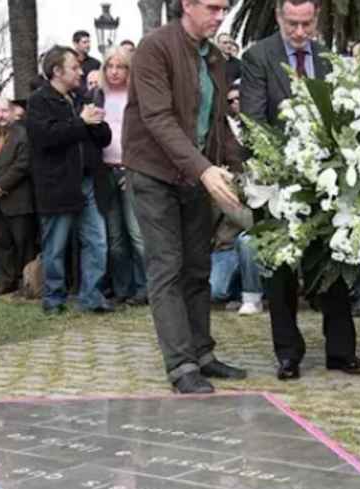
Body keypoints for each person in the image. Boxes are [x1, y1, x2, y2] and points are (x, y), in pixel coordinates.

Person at [241, 0, 360, 381]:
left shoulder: (330, 58)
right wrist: (290, 159)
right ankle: (288, 354)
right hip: (277, 180)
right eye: (292, 24)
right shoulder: (257, 57)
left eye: (307, 24)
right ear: (280, 18)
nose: (300, 33)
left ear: (316, 20)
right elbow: (253, 119)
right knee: (279, 270)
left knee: (333, 261)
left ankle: (341, 351)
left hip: (327, 180)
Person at [124, 0, 248, 394]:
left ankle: (203, 354)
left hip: (195, 175)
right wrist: (204, 169)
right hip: (154, 173)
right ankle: (181, 366)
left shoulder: (213, 56)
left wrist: (241, 165)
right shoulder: (154, 48)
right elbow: (158, 118)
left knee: (197, 267)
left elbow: (216, 124)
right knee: (168, 267)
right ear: (187, 4)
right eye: (212, 7)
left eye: (224, 8)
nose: (220, 15)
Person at [27, 46, 113, 315]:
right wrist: (80, 122)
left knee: (97, 241)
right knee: (55, 246)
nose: (80, 72)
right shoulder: (39, 101)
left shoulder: (81, 98)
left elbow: (104, 139)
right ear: (57, 71)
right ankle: (53, 299)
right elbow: (45, 137)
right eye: (74, 67)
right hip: (58, 185)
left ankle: (92, 296)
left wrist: (97, 124)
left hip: (87, 182)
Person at [96, 47, 148, 306]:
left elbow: (145, 136)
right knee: (114, 238)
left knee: (137, 235)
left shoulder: (136, 96)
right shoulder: (98, 97)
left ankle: (146, 288)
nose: (115, 71)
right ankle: (122, 289)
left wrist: (135, 166)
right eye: (110, 66)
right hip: (105, 172)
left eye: (121, 66)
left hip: (131, 170)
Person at [0, 98, 35, 296]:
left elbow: (22, 165)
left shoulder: (23, 135)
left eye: (5, 111)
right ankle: (7, 281)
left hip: (18, 199)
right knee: (1, 243)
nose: (1, 115)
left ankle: (27, 283)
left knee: (23, 243)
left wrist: (1, 184)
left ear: (13, 113)